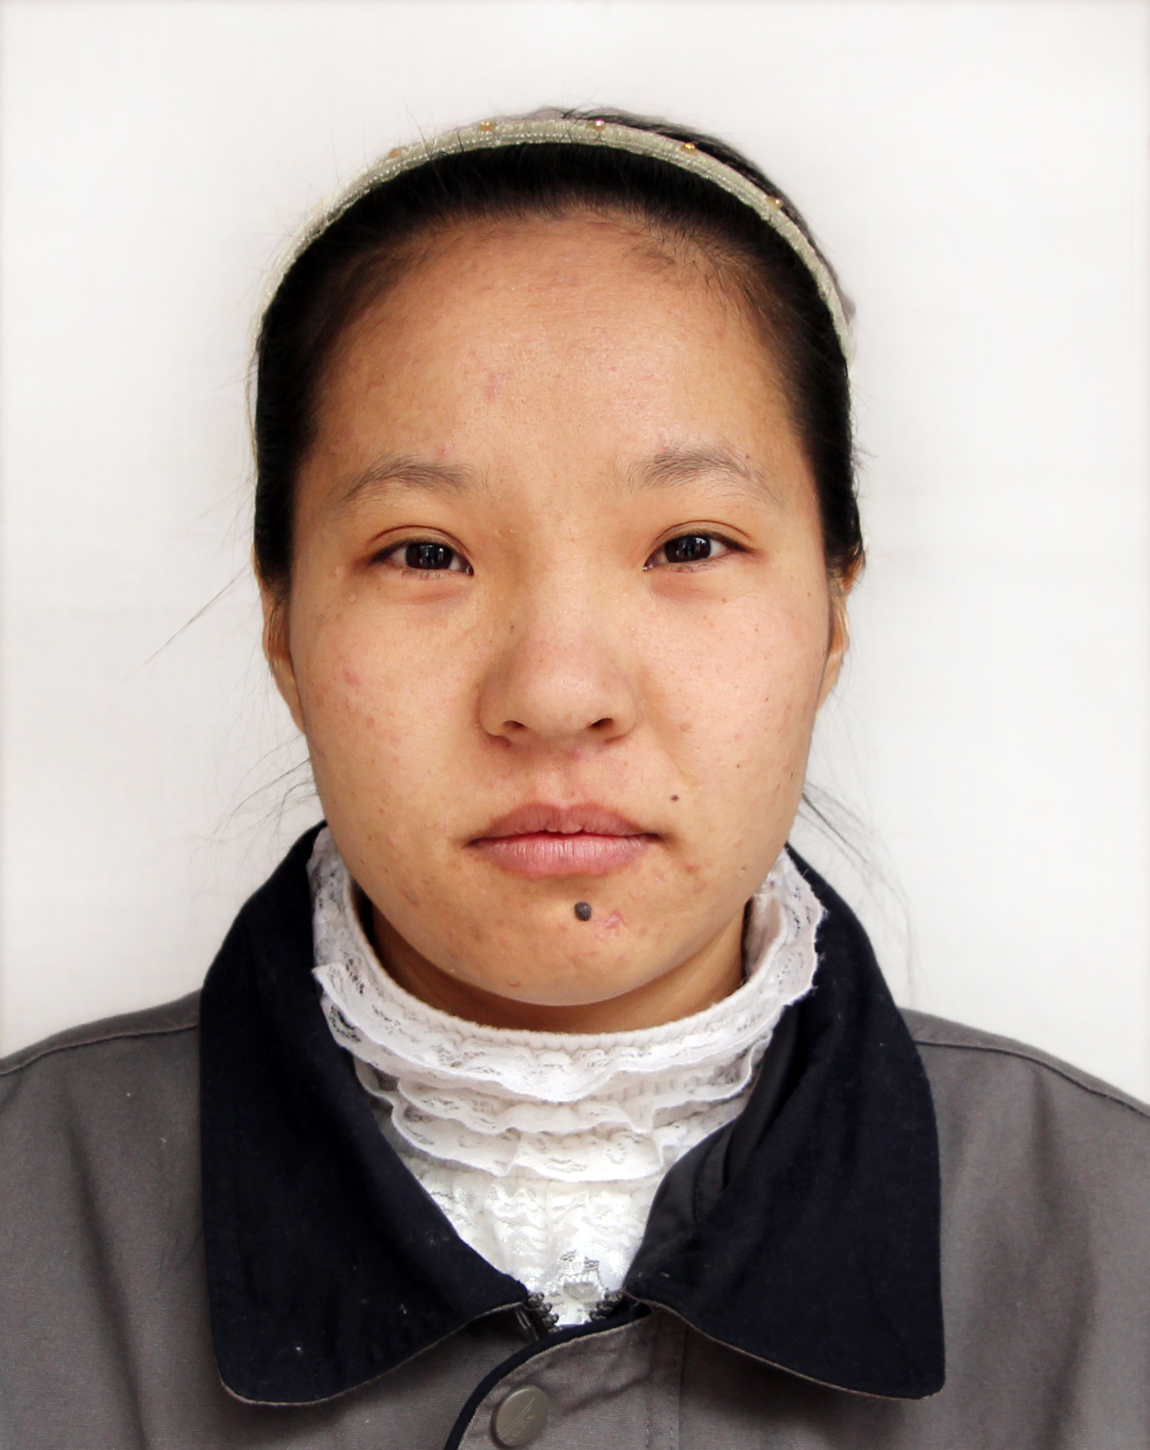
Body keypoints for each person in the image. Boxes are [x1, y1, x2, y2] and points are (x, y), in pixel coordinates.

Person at [1, 109, 1146, 1450]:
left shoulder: (1113, 1238)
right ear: (282, 622)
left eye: (689, 544)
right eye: (424, 553)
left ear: (835, 606)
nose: (554, 692)